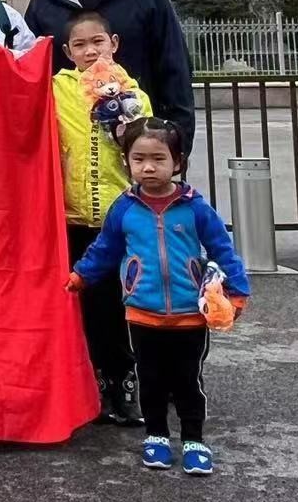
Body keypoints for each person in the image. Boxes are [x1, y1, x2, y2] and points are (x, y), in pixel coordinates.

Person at [70, 118, 251, 476]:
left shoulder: (195, 208)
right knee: (150, 379)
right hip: (142, 312)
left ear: (178, 162)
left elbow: (222, 248)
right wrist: (81, 275)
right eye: (139, 159)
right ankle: (156, 436)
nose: (148, 167)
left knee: (187, 380)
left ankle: (194, 440)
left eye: (158, 158)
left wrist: (237, 290)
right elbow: (105, 248)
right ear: (127, 162)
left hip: (189, 314)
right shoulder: (124, 208)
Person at [26, 0, 195, 157]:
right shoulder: (45, 1)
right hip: (71, 153)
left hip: (139, 149)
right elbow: (32, 80)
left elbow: (175, 70)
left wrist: (177, 145)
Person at [53, 11, 154, 426]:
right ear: (67, 52)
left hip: (121, 217)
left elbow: (146, 154)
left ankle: (126, 379)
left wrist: (125, 128)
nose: (90, 51)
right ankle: (95, 382)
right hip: (75, 217)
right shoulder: (57, 89)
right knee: (87, 305)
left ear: (114, 44)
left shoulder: (134, 94)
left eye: (98, 42)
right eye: (80, 45)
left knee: (123, 301)